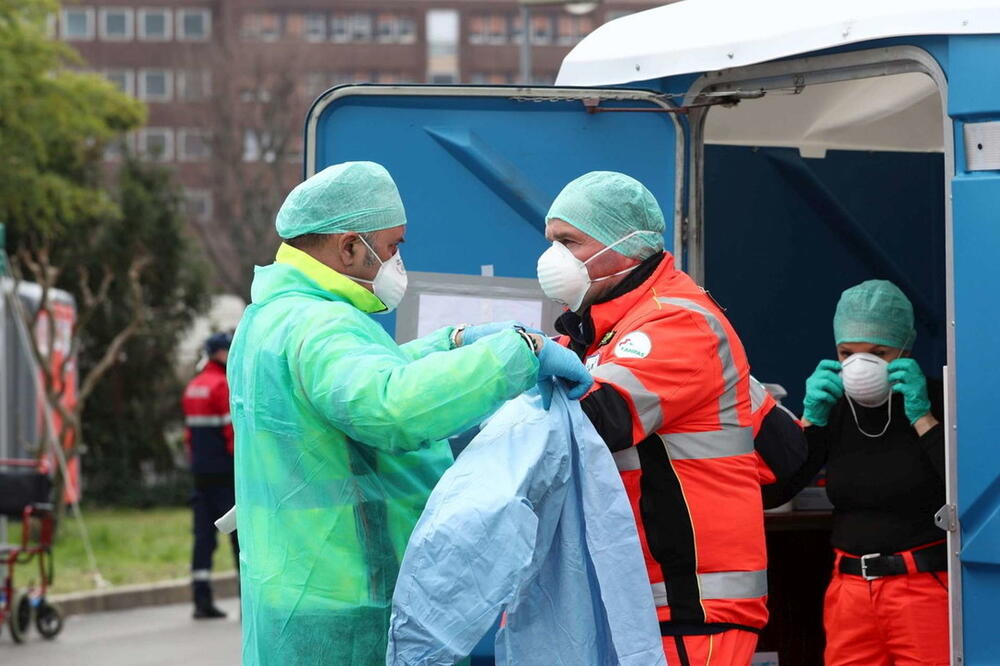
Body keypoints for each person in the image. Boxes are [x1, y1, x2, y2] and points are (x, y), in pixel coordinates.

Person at [227, 161, 593, 665]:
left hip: (300, 584)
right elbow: (391, 407)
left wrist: (455, 342)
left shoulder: (274, 317)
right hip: (350, 595)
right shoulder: (322, 326)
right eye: (393, 245)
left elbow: (360, 382)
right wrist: (518, 353)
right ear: (351, 247)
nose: (398, 260)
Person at [538, 171, 768, 665]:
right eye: (551, 240)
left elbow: (604, 419)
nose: (553, 257)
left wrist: (525, 360)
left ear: (627, 246)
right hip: (637, 600)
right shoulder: (600, 332)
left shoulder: (678, 320)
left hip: (690, 607)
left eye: (569, 241)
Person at [790, 280, 947, 666]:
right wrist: (808, 422)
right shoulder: (835, 407)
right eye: (847, 353)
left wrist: (924, 418)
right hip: (850, 591)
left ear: (904, 350)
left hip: (923, 586)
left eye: (878, 353)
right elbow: (778, 490)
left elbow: (966, 488)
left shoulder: (938, 400)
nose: (860, 365)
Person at [182, 331, 239, 619]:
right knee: (239, 537)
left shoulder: (194, 386)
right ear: (220, 354)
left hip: (200, 474)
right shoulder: (222, 386)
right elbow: (232, 435)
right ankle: (248, 605)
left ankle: (200, 600)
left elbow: (189, 437)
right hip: (224, 475)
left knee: (203, 538)